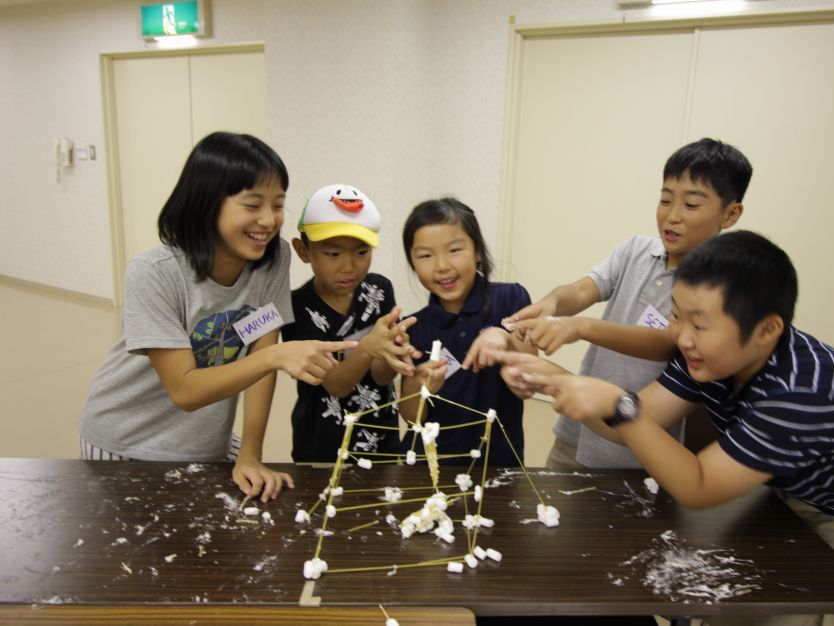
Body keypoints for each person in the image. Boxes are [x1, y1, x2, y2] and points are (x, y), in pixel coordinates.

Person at [500, 230, 834, 626]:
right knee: (735, 604)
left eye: (700, 324)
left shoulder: (800, 395)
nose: (682, 337)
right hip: (796, 485)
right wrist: (551, 377)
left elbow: (698, 484)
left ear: (767, 329)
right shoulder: (707, 355)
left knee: (797, 614)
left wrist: (618, 405)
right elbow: (639, 419)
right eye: (677, 317)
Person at [79, 132, 353, 502]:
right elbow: (186, 390)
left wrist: (251, 454)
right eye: (252, 205)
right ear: (207, 204)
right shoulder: (155, 273)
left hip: (206, 444)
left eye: (277, 204)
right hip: (124, 445)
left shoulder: (272, 261)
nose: (268, 221)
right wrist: (273, 357)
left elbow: (261, 361)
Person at [506, 137, 751, 469]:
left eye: (691, 206)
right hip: (577, 426)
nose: (672, 216)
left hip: (636, 446)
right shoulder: (636, 250)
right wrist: (551, 303)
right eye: (665, 200)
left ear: (730, 213)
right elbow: (581, 290)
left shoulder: (715, 286)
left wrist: (579, 327)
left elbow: (665, 343)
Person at [282, 183, 418, 463]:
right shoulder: (297, 307)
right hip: (322, 448)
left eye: (362, 252)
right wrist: (370, 347)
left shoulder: (379, 290)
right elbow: (335, 384)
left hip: (381, 439)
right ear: (303, 250)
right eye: (333, 254)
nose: (349, 266)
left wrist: (393, 354)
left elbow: (382, 376)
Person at [400, 197, 537, 466]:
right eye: (426, 256)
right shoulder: (414, 327)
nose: (442, 266)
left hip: (498, 464)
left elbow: (530, 383)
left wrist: (505, 340)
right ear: (413, 264)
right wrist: (419, 386)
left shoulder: (511, 300)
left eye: (454, 250)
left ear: (476, 250)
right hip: (430, 467)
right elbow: (410, 416)